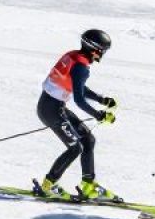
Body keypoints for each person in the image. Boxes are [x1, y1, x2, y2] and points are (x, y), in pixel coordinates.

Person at [34, 29, 118, 200]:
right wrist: (99, 115)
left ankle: (88, 185)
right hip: (52, 110)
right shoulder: (81, 67)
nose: (101, 55)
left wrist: (101, 100)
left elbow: (76, 87)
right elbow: (79, 99)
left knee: (88, 140)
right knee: (75, 148)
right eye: (103, 51)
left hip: (53, 106)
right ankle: (48, 185)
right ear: (95, 49)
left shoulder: (74, 56)